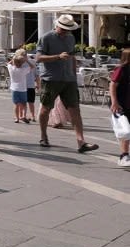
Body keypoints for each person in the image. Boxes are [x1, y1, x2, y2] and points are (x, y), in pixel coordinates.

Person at [36, 15, 99, 153]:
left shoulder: (71, 38)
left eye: (68, 29)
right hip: (51, 79)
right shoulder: (46, 38)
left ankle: (81, 142)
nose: (65, 32)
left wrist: (74, 73)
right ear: (57, 25)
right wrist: (57, 56)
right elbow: (38, 58)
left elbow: (72, 57)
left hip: (69, 79)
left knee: (75, 109)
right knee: (46, 108)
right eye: (63, 29)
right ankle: (43, 135)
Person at [107, 49, 130, 167]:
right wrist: (114, 102)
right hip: (121, 105)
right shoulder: (122, 69)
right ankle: (124, 155)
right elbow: (112, 84)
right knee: (125, 131)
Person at [7, 50, 34, 124]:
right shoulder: (23, 70)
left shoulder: (11, 69)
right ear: (22, 63)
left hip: (14, 89)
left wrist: (14, 59)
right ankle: (24, 116)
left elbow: (8, 64)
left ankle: (17, 118)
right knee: (24, 104)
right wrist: (27, 60)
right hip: (23, 89)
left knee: (16, 105)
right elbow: (32, 67)